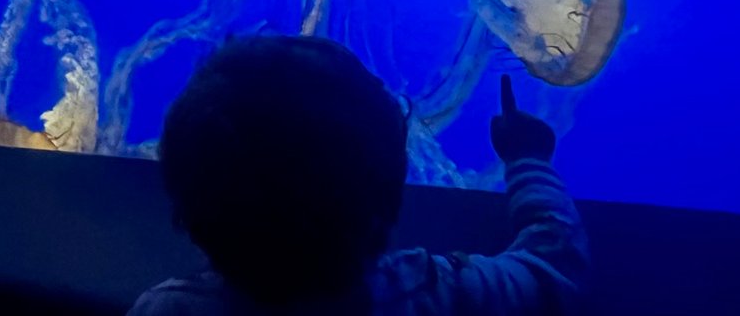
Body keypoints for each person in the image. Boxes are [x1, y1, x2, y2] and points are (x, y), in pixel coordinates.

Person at [129, 33, 588, 314]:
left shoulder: (166, 309)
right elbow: (552, 269)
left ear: (186, 209)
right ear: (389, 193)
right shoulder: (434, 295)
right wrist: (528, 160)